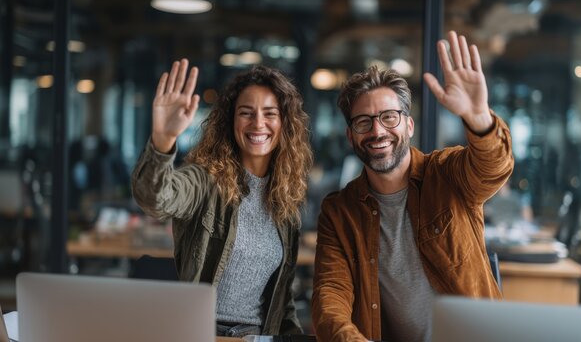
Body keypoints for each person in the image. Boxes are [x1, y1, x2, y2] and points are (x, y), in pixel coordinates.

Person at [311, 31, 514, 341]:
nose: (377, 131)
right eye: (363, 122)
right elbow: (330, 296)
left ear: (409, 124)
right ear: (351, 136)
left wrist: (479, 119)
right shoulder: (339, 211)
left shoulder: (447, 174)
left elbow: (493, 168)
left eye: (389, 117)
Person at [131, 59, 313, 337]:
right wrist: (162, 139)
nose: (258, 123)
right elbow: (155, 198)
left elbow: (282, 303)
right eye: (246, 113)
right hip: (199, 332)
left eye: (270, 113)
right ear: (231, 120)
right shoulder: (205, 181)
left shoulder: (286, 200)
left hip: (254, 336)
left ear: (285, 123)